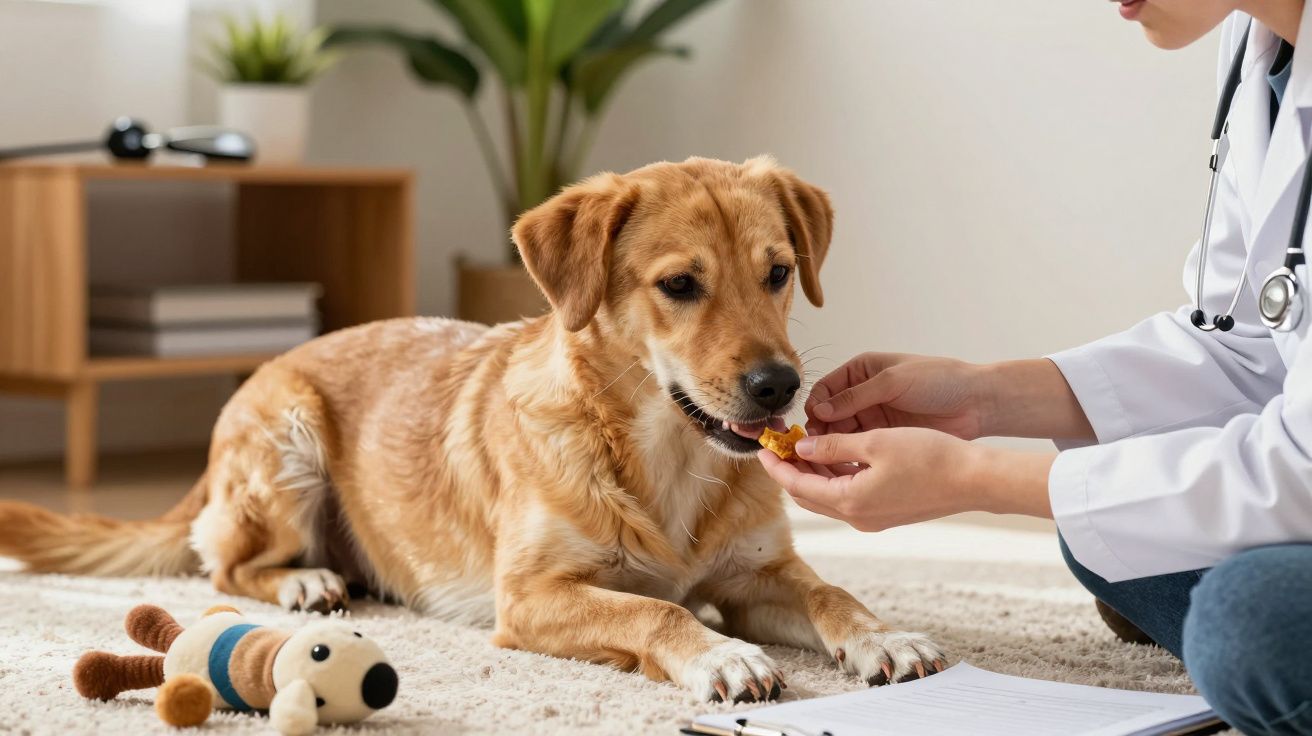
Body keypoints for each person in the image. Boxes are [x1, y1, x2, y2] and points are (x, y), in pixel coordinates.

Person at [757, 2, 1312, 735]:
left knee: (1248, 623)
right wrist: (983, 396)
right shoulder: (1259, 44)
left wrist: (972, 480)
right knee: (1100, 534)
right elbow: (1243, 341)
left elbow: (1300, 468)